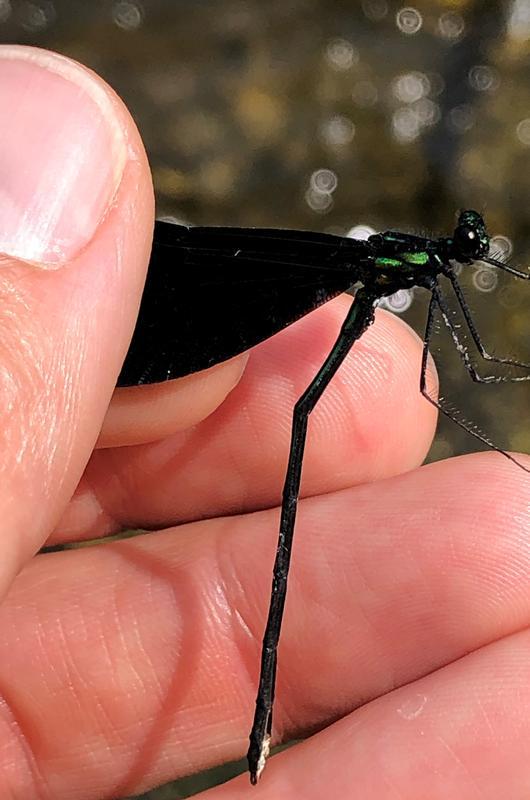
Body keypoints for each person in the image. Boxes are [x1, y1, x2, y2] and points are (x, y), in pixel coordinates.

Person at [0, 44, 528, 799]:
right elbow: (470, 372)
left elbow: (458, 371)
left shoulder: (419, 265)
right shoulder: (410, 267)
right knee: (321, 405)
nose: (468, 254)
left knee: (332, 410)